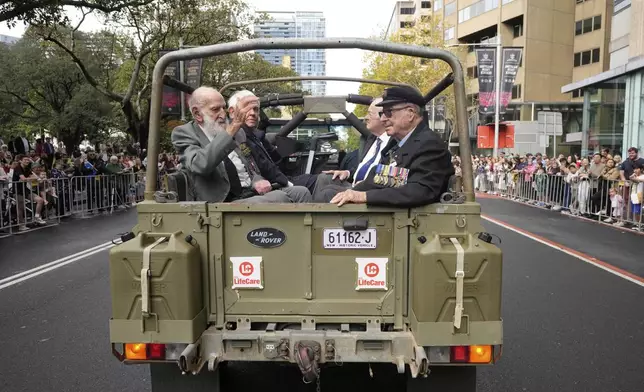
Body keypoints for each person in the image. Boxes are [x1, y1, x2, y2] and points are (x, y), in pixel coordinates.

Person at [316, 86, 455, 207]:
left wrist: (362, 196)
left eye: (389, 113)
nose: (383, 119)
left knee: (328, 195)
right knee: (329, 191)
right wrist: (354, 191)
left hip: (404, 222)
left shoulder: (429, 145)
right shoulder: (397, 143)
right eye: (382, 113)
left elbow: (421, 190)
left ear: (411, 113)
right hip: (388, 212)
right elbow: (380, 177)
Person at [171, 86, 310, 203]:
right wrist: (232, 129)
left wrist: (257, 179)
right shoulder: (184, 133)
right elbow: (200, 164)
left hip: (249, 194)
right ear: (197, 114)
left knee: (301, 192)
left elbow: (251, 165)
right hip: (221, 202)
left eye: (223, 108)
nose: (222, 114)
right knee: (280, 197)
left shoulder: (235, 132)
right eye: (215, 109)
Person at [226, 90, 311, 203]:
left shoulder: (252, 135)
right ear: (232, 112)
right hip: (241, 194)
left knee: (304, 190)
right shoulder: (230, 137)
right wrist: (286, 182)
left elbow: (252, 166)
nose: (252, 113)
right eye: (246, 108)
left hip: (263, 185)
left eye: (255, 109)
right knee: (283, 196)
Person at [301, 97, 391, 197]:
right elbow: (366, 167)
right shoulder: (372, 140)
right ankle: (313, 211)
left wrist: (365, 186)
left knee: (328, 193)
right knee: (324, 177)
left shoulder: (393, 143)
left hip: (370, 191)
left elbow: (388, 177)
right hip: (356, 185)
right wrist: (347, 172)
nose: (366, 117)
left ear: (384, 116)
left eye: (369, 114)